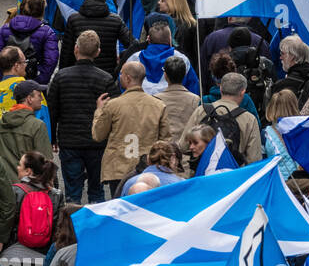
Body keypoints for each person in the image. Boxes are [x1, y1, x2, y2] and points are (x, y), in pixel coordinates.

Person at [46, 30, 113, 205]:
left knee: (72, 193)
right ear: (98, 52)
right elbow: (114, 111)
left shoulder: (61, 77)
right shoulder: (105, 79)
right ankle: (97, 229)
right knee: (97, 191)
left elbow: (52, 110)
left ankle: (70, 228)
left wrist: (52, 137)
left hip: (69, 141)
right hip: (97, 143)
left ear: (76, 49)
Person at [91, 61, 171, 196]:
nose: (120, 76)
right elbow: (165, 141)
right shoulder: (159, 105)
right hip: (147, 169)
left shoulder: (113, 105)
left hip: (118, 168)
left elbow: (98, 135)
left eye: (121, 74)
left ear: (127, 78)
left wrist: (99, 111)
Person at [0, 81, 54, 244]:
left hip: (5, 190)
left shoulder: (2, 123)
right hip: (29, 194)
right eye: (38, 95)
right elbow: (46, 164)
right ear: (29, 98)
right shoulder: (37, 126)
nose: (41, 99)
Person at [181, 73, 263, 166]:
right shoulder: (249, 119)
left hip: (203, 173)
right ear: (242, 92)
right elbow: (254, 159)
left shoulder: (202, 110)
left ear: (220, 89)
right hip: (233, 175)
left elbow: (183, 146)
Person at [59, 0, 131, 72]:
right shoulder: (115, 21)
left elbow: (66, 53)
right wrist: (121, 60)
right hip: (107, 75)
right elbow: (132, 45)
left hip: (78, 75)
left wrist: (63, 76)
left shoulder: (74, 20)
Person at [0, 0, 59, 85]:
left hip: (7, 83)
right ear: (42, 9)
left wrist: (4, 79)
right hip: (34, 85)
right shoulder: (48, 32)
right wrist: (37, 83)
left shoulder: (4, 29)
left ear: (22, 7)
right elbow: (50, 62)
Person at [157, 56, 201, 143]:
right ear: (185, 74)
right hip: (187, 151)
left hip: (164, 152)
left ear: (165, 75)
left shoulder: (155, 99)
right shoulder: (195, 99)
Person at [262, 89, 300, 184]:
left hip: (277, 183)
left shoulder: (265, 134)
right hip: (301, 182)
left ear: (271, 108)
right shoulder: (303, 130)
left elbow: (262, 161)